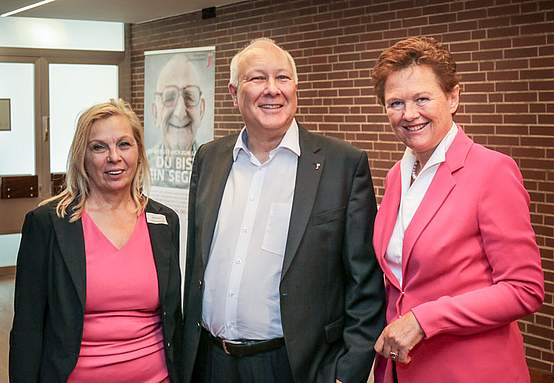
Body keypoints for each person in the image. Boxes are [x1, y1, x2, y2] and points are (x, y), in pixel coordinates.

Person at [182, 38, 386, 383]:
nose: (272, 90)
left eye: (283, 78)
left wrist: (346, 373)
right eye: (257, 79)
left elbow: (365, 286)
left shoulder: (342, 166)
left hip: (292, 367)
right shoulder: (210, 158)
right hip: (209, 361)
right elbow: (195, 264)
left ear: (296, 90)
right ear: (234, 94)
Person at [370, 36, 544, 383]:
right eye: (395, 103)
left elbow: (524, 288)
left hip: (471, 370)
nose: (409, 114)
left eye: (422, 98)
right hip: (403, 369)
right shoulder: (396, 177)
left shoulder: (491, 171)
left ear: (453, 97)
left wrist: (423, 319)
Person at [9, 99, 182, 382]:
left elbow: (174, 319)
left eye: (124, 144)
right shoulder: (48, 224)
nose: (114, 156)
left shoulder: (164, 222)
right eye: (99, 147)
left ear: (138, 151)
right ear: (83, 156)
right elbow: (28, 327)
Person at [148, 54, 206, 187]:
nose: (180, 113)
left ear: (201, 109)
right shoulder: (140, 167)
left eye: (190, 96)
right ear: (156, 112)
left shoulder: (215, 168)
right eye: (169, 97)